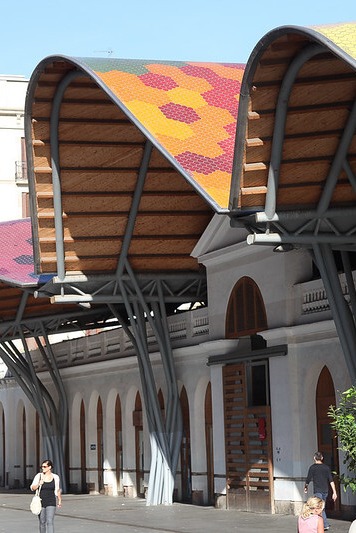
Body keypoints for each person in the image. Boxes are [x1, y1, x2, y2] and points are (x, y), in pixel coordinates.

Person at [304, 451, 337, 531]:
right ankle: (324, 524)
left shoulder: (312, 467)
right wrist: (334, 492)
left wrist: (306, 487)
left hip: (317, 490)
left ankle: (323, 524)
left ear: (314, 458)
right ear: (322, 458)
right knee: (322, 507)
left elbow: (308, 479)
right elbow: (331, 480)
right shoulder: (326, 467)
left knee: (318, 508)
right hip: (325, 490)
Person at [30, 459, 62, 533]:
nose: (43, 468)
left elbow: (57, 490)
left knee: (50, 521)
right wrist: (38, 484)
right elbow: (32, 488)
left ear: (49, 467)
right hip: (40, 502)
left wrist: (59, 500)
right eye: (42, 467)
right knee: (42, 522)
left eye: (45, 466)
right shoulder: (39, 476)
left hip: (51, 501)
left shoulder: (55, 477)